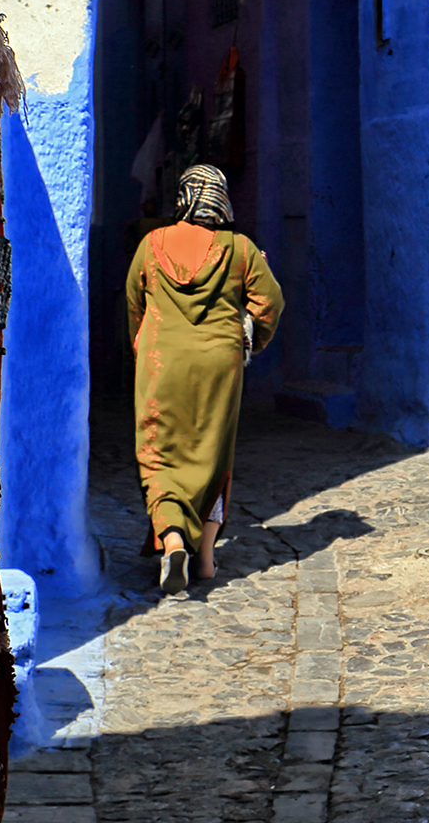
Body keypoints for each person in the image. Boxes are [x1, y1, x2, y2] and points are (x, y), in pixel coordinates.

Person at [126, 165, 284, 594]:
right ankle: (207, 561)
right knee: (212, 456)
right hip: (220, 366)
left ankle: (173, 540)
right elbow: (270, 303)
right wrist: (250, 340)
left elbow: (134, 306)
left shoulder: (151, 244)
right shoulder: (241, 249)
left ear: (182, 198)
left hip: (162, 363)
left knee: (159, 454)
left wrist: (142, 350)